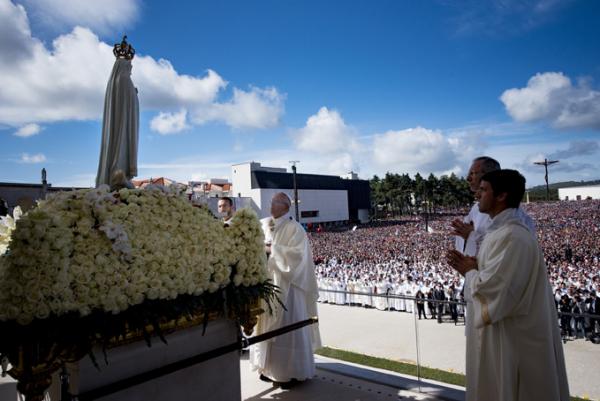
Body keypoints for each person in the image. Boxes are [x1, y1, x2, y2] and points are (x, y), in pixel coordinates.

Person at [446, 169, 569, 401]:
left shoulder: (513, 237)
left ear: (501, 196)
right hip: (502, 335)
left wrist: (469, 271)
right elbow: (498, 276)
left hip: (513, 339)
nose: (477, 195)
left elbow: (498, 292)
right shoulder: (500, 233)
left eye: (483, 190)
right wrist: (476, 266)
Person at [249, 192, 321, 388]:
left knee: (286, 328)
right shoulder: (263, 224)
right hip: (266, 282)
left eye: (275, 202)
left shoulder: (295, 229)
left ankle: (290, 373)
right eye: (271, 202)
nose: (270, 205)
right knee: (265, 325)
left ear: (286, 206)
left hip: (288, 287)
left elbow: (297, 257)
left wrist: (272, 250)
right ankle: (267, 369)